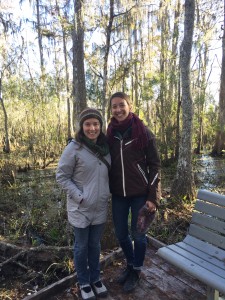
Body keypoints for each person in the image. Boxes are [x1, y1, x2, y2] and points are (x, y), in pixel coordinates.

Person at [106, 92, 161, 293]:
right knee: (121, 234)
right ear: (110, 110)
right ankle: (130, 264)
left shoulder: (143, 132)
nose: (118, 109)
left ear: (129, 105)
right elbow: (96, 152)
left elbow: (155, 166)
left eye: (122, 105)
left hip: (140, 193)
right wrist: (76, 143)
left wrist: (153, 197)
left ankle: (136, 270)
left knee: (138, 236)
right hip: (118, 195)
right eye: (114, 106)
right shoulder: (110, 135)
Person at [56, 108, 111, 300]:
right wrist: (79, 196)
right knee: (81, 247)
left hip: (100, 207)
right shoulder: (74, 148)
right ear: (82, 127)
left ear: (100, 126)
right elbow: (62, 177)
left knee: (95, 245)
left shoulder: (106, 147)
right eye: (88, 124)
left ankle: (95, 278)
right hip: (80, 208)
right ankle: (84, 282)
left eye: (95, 124)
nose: (92, 128)